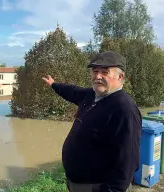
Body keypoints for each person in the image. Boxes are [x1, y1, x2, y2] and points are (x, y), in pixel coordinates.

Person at [42, 51, 142, 192]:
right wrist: (54, 85)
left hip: (96, 187)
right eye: (95, 71)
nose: (97, 76)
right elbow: (72, 91)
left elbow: (127, 161)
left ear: (120, 77)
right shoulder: (92, 95)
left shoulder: (124, 110)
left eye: (104, 72)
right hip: (77, 183)